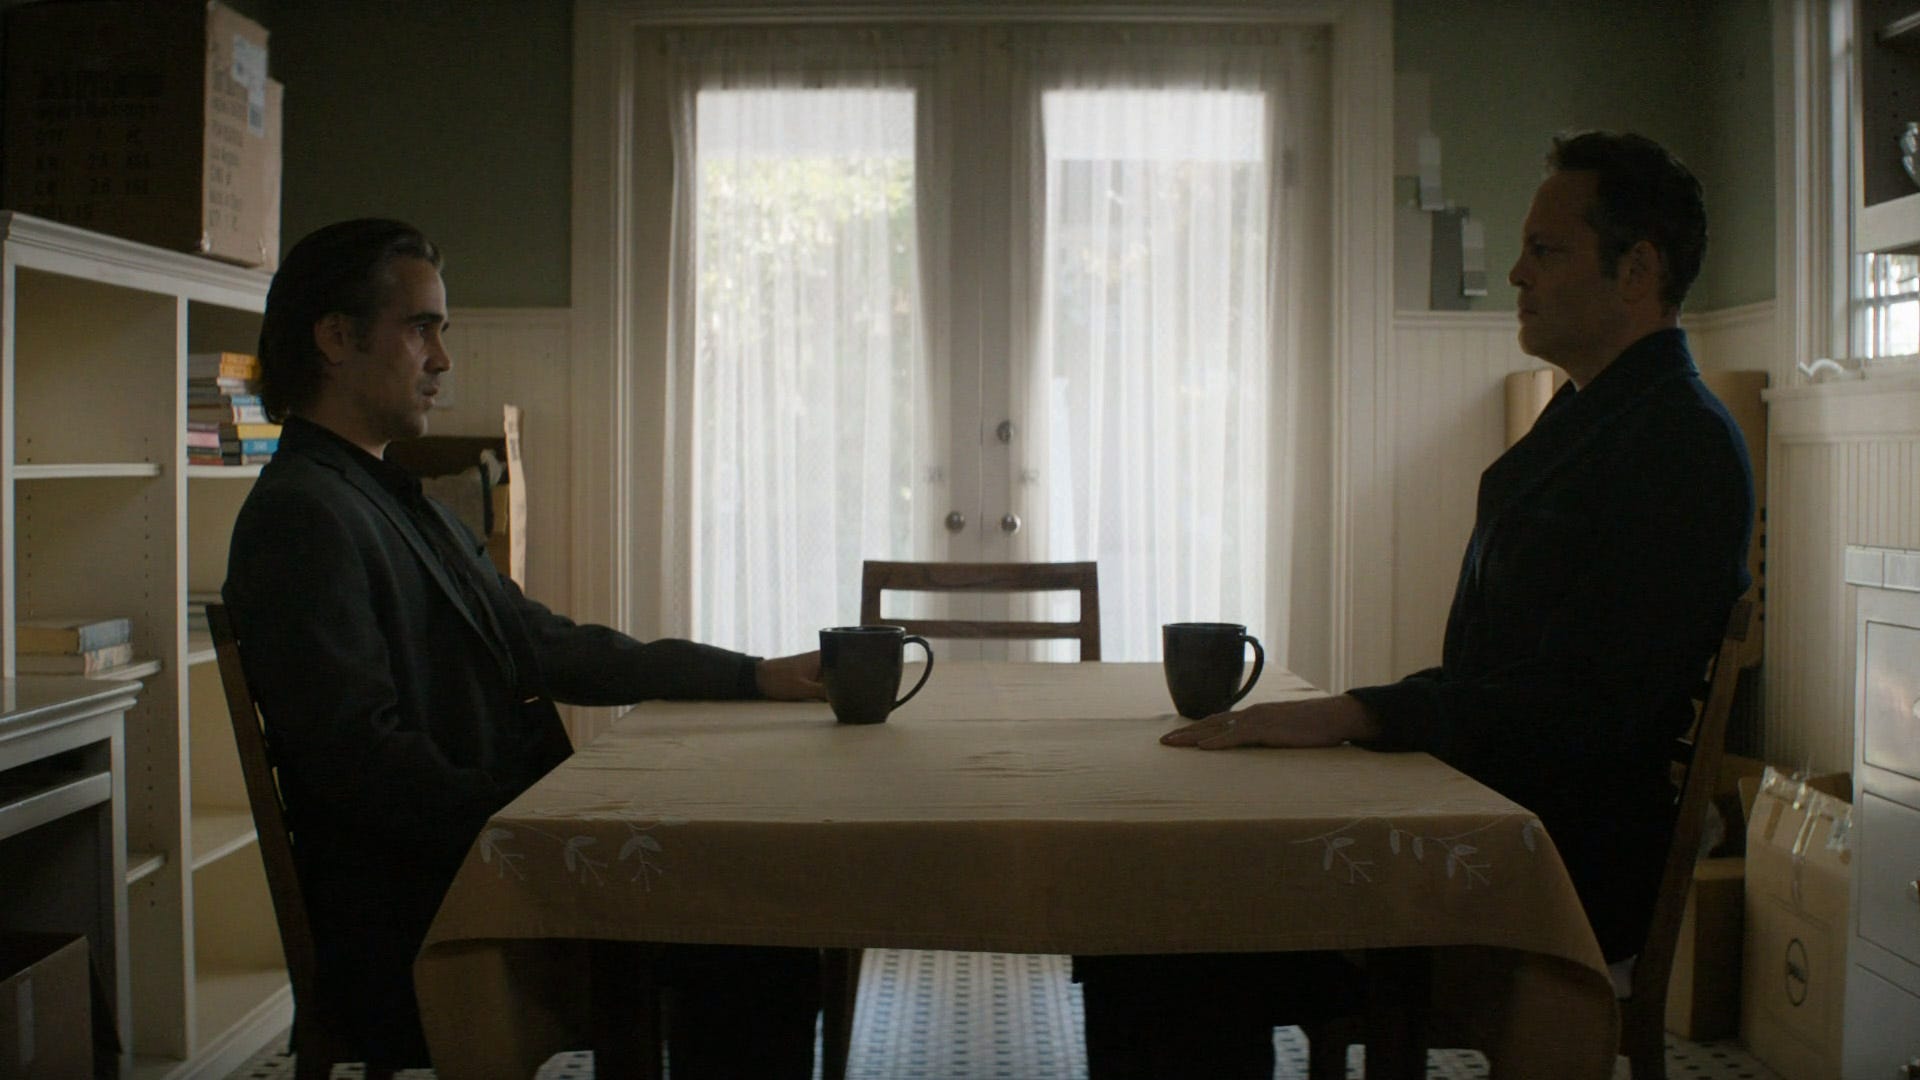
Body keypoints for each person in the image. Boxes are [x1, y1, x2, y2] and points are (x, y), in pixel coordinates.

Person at [1077, 131, 1755, 1078]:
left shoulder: (1678, 445)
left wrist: (1361, 714)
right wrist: (1353, 718)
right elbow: (1517, 678)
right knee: (1153, 897)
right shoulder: (1603, 415)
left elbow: (1584, 708)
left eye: (1545, 250)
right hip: (1489, 814)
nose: (1516, 273)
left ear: (1637, 270)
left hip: (1540, 866)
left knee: (1159, 927)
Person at [223, 218, 827, 1076]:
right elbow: (360, 761)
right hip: (431, 915)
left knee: (760, 903)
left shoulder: (383, 496)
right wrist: (548, 823)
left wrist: (751, 676)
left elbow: (549, 645)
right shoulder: (303, 515)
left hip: (488, 868)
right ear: (335, 337)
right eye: (420, 328)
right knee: (756, 934)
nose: (443, 359)